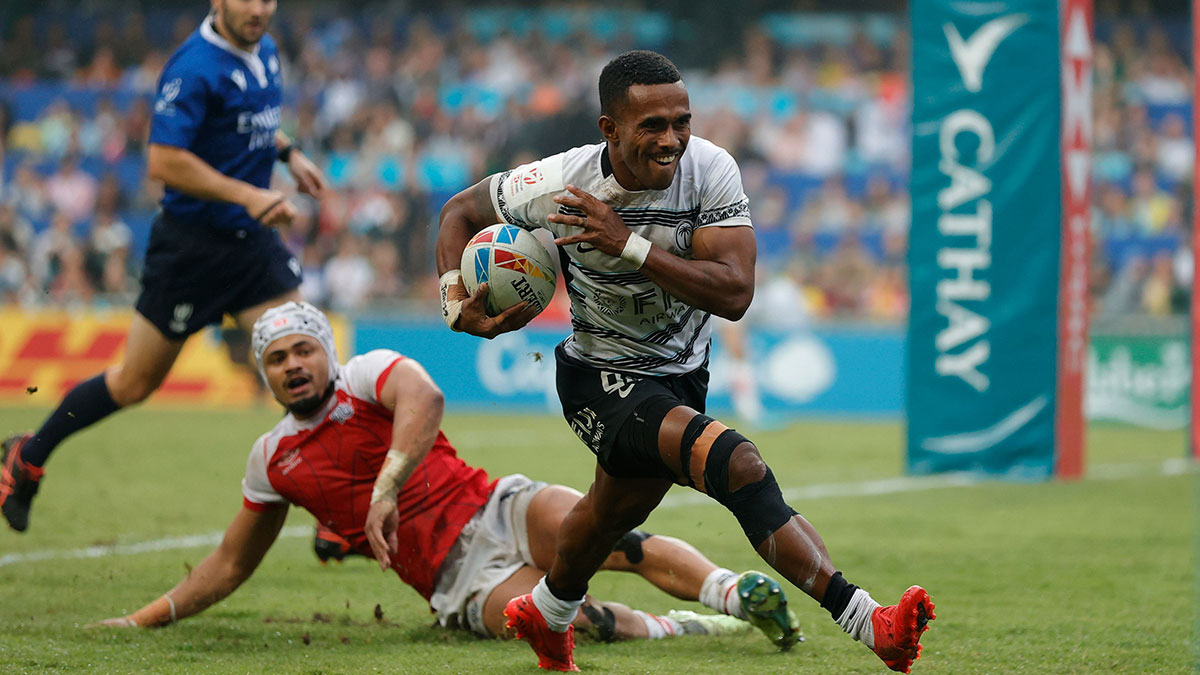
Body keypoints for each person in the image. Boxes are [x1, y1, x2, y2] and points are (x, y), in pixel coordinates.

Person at [428, 50, 934, 672]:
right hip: (600, 378)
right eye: (653, 126)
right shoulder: (558, 185)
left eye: (681, 122)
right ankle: (871, 622)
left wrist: (628, 244)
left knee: (608, 515)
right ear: (610, 129)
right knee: (739, 464)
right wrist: (454, 302)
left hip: (681, 374)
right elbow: (458, 213)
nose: (672, 140)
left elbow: (736, 293)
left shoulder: (710, 171)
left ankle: (547, 612)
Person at [93, 301, 798, 648]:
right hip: (458, 579)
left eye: (303, 349)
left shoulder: (364, 375)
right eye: (277, 359)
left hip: (496, 506)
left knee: (614, 537)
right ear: (264, 374)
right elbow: (228, 562)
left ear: (326, 351)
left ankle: (736, 593)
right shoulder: (271, 458)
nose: (294, 365)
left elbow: (424, 398)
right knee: (568, 621)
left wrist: (385, 485)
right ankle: (687, 628)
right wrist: (142, 618)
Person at [0, 0, 327, 533]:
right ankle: (28, 456)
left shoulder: (265, 49)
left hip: (251, 245)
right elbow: (164, 161)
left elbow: (250, 123)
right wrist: (249, 194)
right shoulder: (193, 67)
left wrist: (290, 154)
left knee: (310, 359)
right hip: (191, 250)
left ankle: (337, 509)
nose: (259, 9)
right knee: (134, 383)